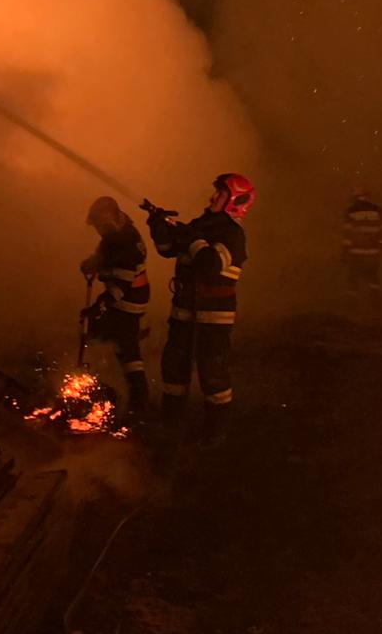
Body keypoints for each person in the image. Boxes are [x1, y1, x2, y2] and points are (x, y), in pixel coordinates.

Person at [146, 173, 254, 441]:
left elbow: (210, 265)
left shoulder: (233, 234)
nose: (212, 197)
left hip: (213, 318)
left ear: (236, 201)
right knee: (174, 368)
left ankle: (216, 429)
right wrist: (158, 227)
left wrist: (192, 238)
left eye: (220, 193)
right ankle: (170, 422)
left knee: (212, 373)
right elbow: (168, 249)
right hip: (183, 313)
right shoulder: (201, 224)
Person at [80, 196, 151, 411]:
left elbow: (121, 286)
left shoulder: (125, 241)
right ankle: (108, 384)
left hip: (128, 301)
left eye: (100, 225)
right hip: (128, 298)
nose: (98, 231)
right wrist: (92, 263)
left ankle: (138, 400)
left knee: (125, 349)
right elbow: (105, 255)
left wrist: (99, 306)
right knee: (107, 338)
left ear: (108, 220)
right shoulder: (117, 234)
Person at [341, 186, 382, 316]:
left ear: (355, 197)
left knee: (353, 280)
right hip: (373, 252)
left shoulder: (350, 211)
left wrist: (344, 252)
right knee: (373, 279)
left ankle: (352, 310)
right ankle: (376, 309)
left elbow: (348, 235)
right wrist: (381, 249)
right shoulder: (377, 210)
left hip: (356, 253)